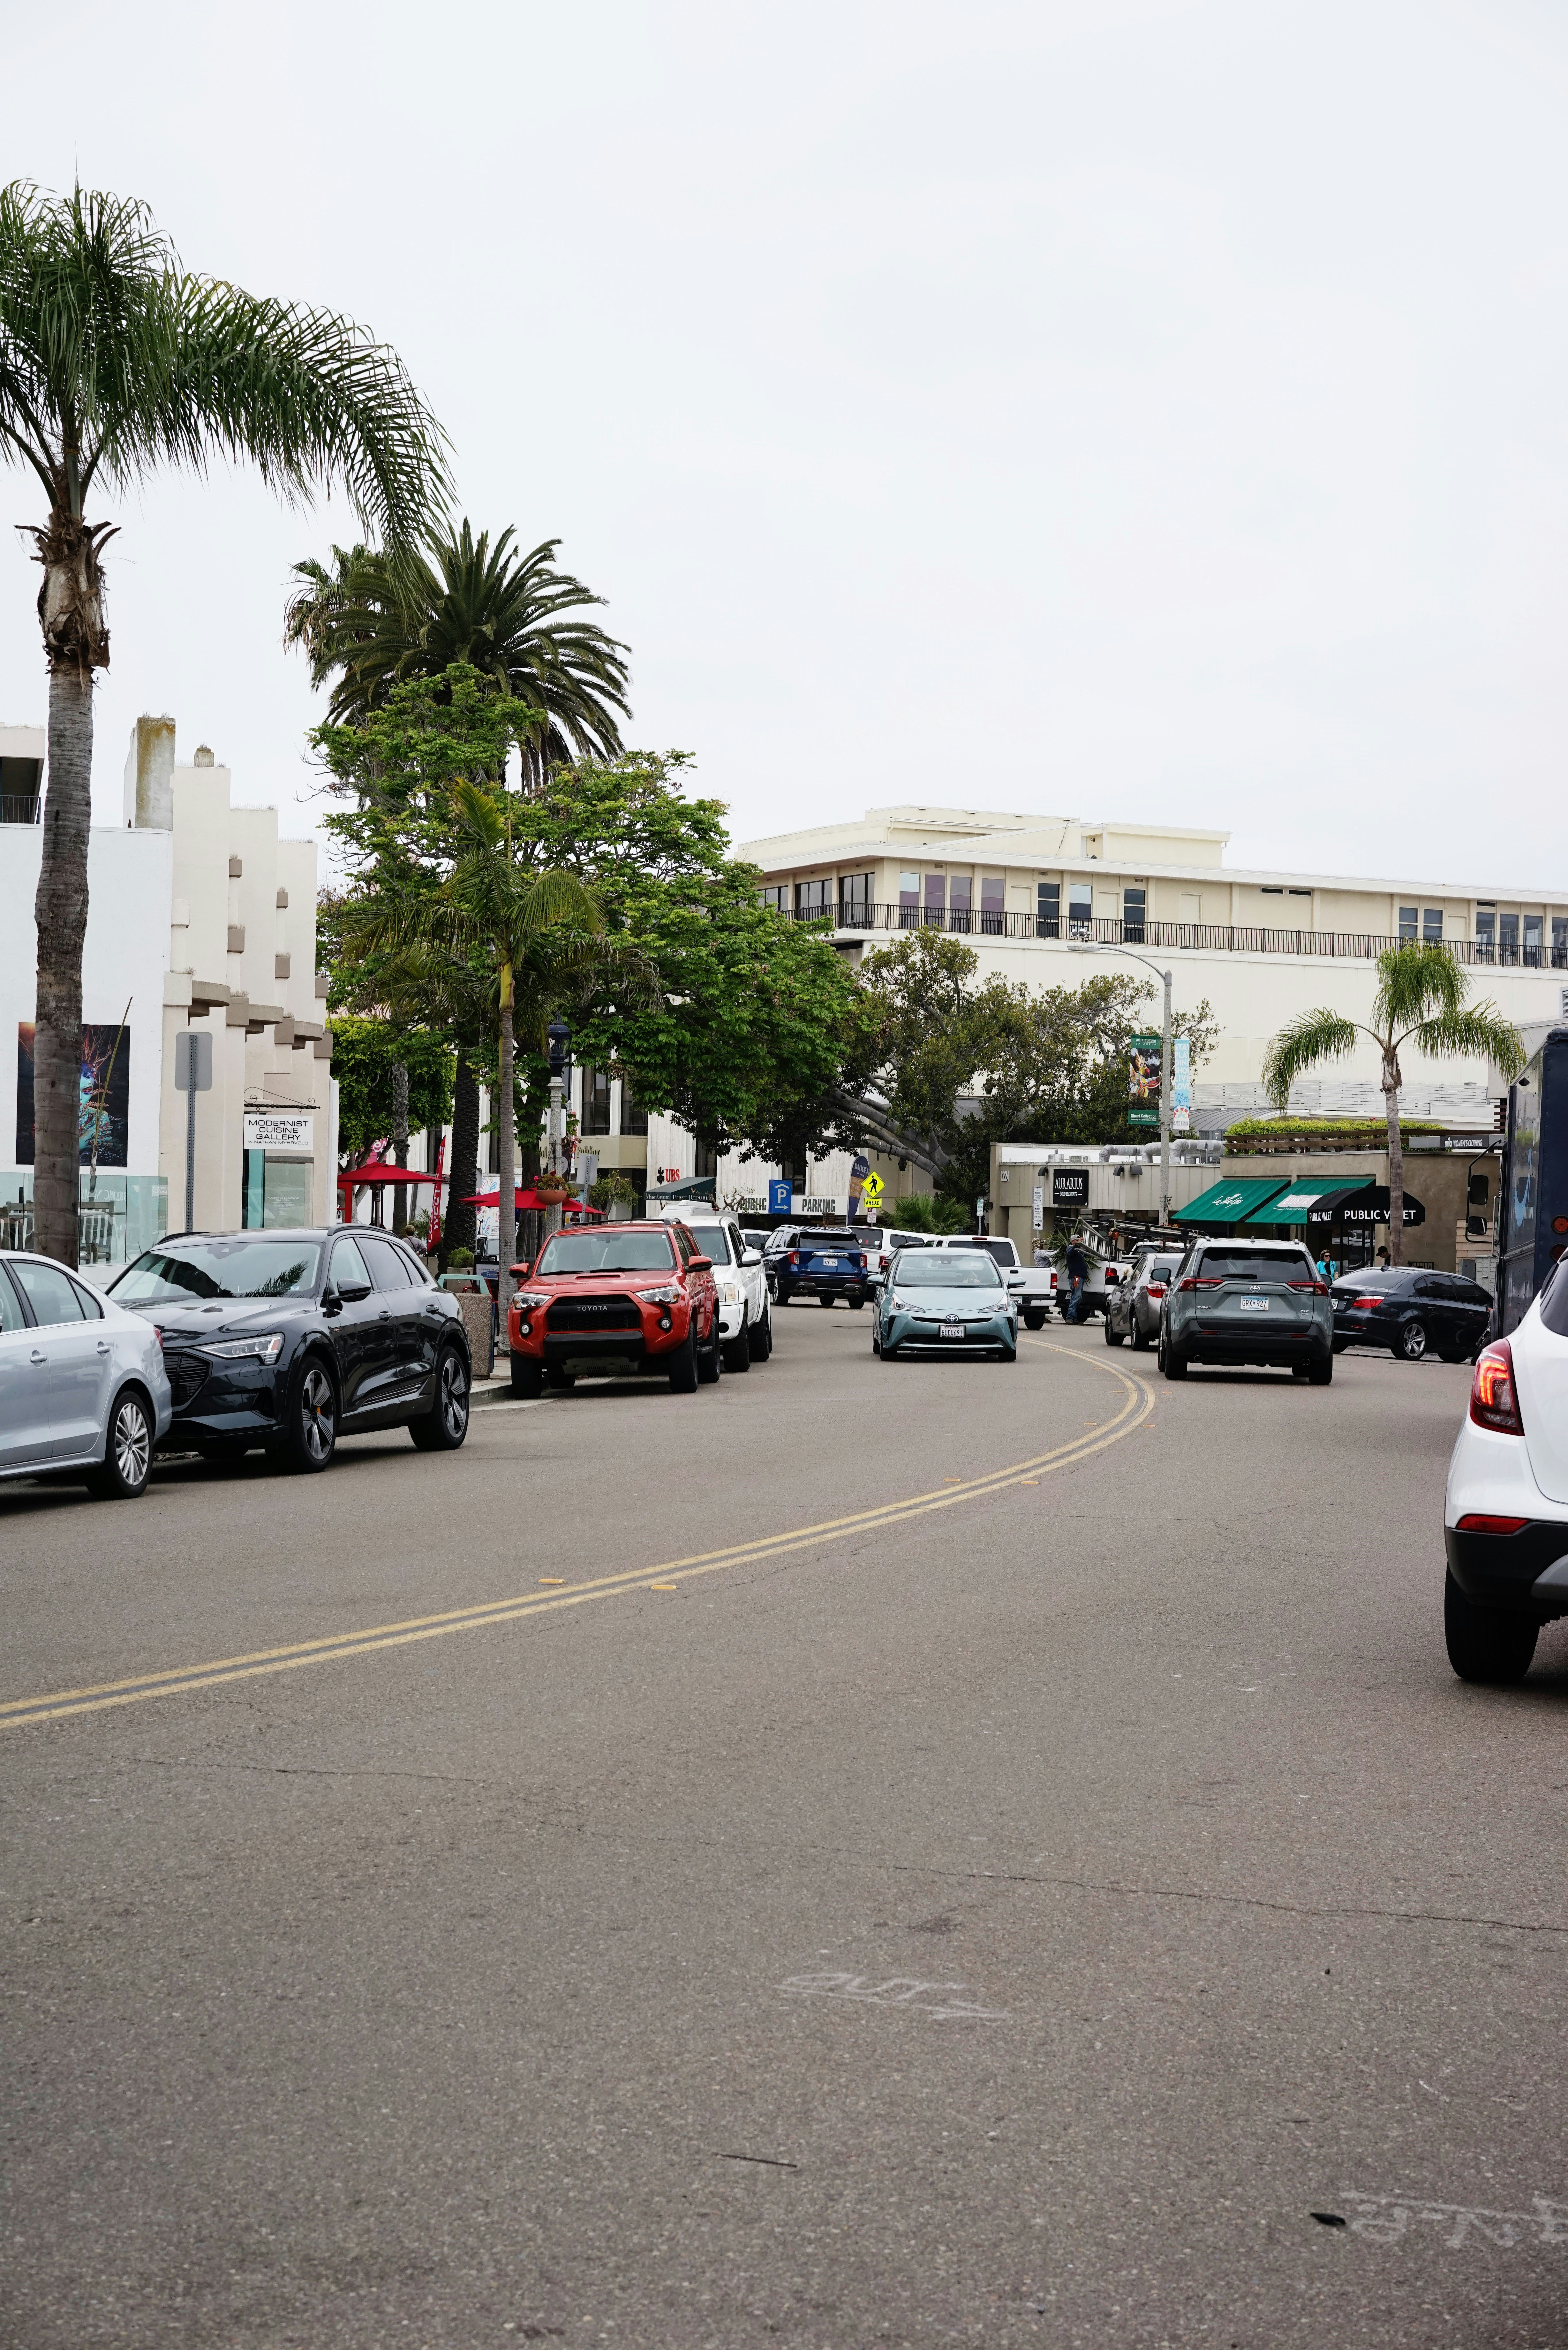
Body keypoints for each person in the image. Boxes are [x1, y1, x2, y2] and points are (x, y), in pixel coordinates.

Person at [1064, 1238, 1089, 1323]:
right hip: (1076, 1277)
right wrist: (1077, 1245)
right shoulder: (1070, 1248)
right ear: (1073, 1242)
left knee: (1078, 1298)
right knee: (1076, 1298)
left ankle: (1073, 1317)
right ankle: (1070, 1317)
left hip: (1079, 1277)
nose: (1079, 1242)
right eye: (1077, 1240)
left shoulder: (1077, 1251)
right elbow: (1070, 1253)